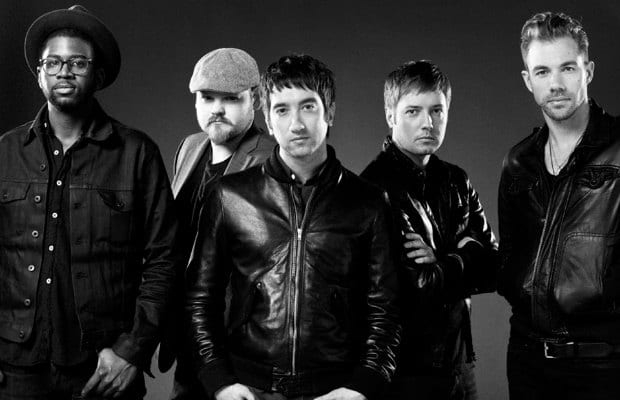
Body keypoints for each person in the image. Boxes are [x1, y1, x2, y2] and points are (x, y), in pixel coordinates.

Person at [185, 54, 400, 400]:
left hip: (336, 390)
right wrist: (219, 381)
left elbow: (386, 309)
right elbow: (199, 298)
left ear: (330, 112)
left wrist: (362, 386)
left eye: (308, 107)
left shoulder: (369, 202)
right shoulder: (230, 196)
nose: (296, 124)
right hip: (250, 387)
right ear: (268, 120)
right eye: (282, 110)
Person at [0, 5, 178, 399]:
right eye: (53, 62)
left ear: (97, 75)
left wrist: (131, 351)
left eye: (78, 62)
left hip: (103, 367)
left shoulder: (136, 153)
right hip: (15, 367)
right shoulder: (6, 152)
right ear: (39, 73)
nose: (64, 72)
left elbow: (165, 259)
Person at [498, 11, 620, 400]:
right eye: (542, 72)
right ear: (527, 80)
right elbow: (511, 261)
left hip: (604, 366)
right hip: (527, 361)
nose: (555, 84)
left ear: (588, 71)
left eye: (567, 68)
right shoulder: (518, 162)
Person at [361, 60, 498, 400]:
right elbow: (419, 285)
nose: (428, 123)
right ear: (391, 115)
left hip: (459, 362)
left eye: (437, 110)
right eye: (413, 111)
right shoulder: (376, 189)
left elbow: (496, 267)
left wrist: (440, 259)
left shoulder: (456, 180)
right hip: (404, 372)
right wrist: (465, 252)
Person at [159, 47, 275, 400]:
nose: (217, 109)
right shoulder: (190, 147)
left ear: (255, 99)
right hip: (187, 337)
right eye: (207, 98)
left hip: (239, 346)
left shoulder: (272, 158)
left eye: (231, 99)